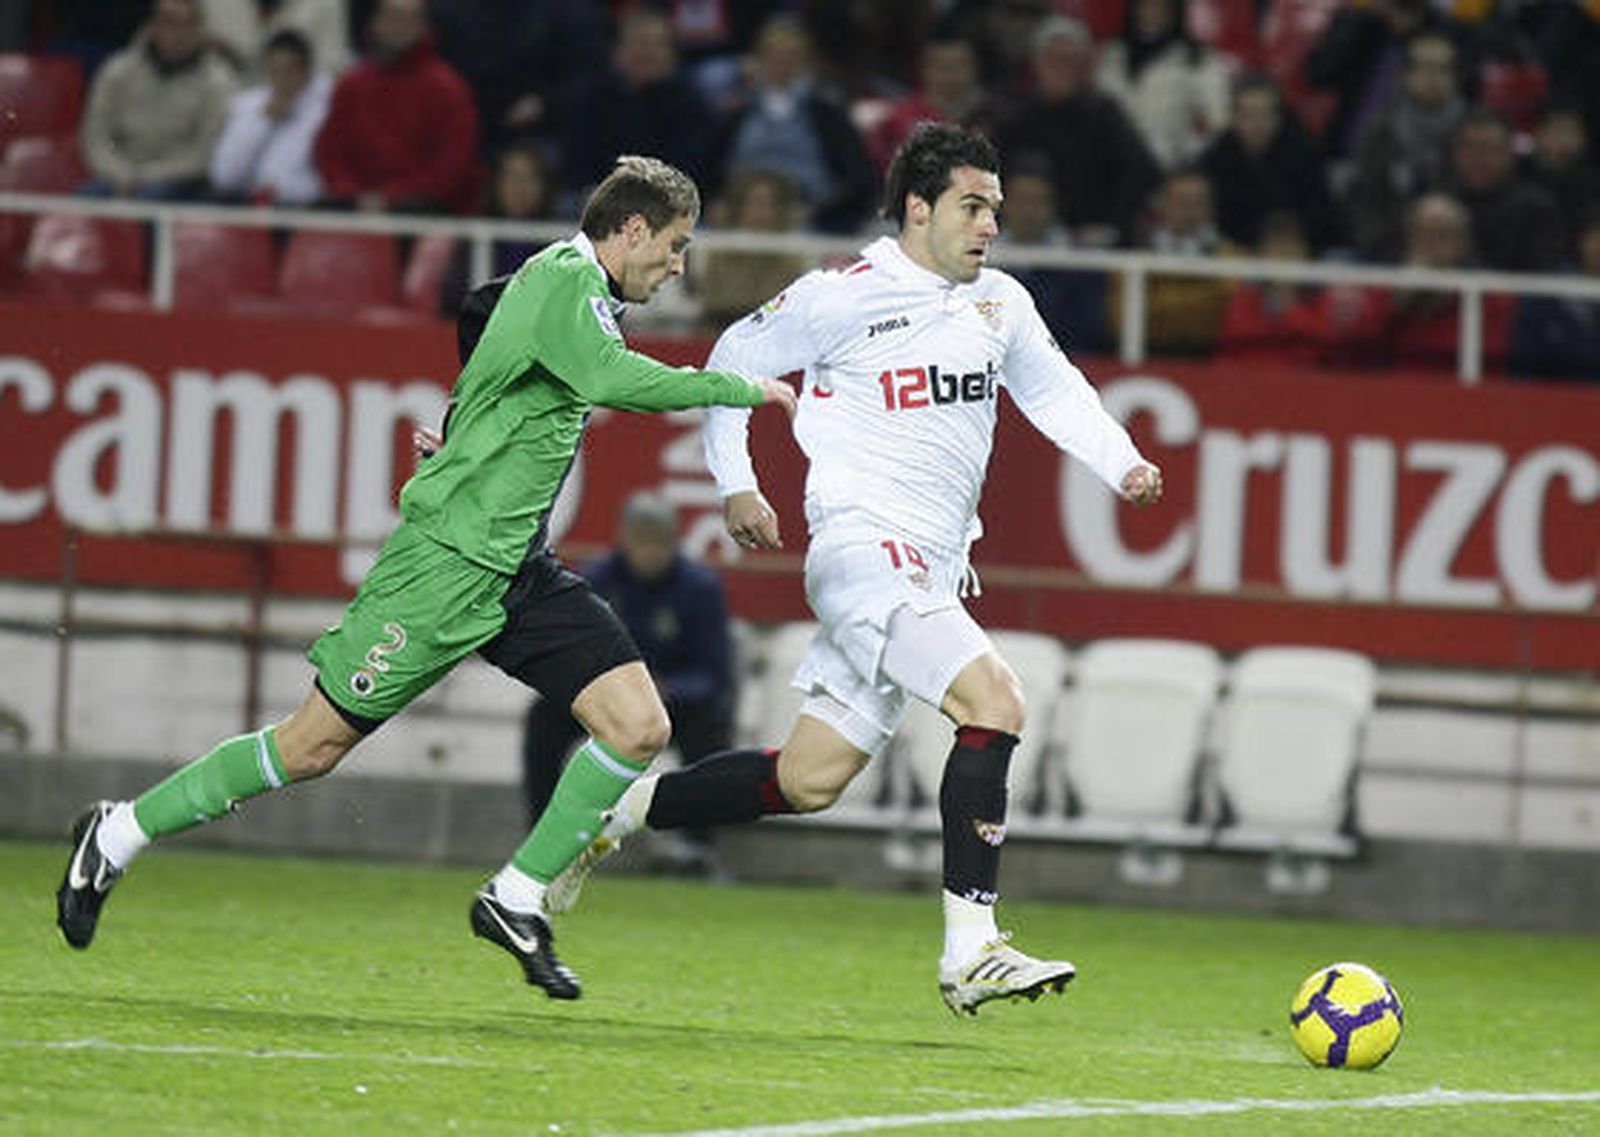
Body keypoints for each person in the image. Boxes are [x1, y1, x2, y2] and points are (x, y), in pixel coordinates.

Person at [54, 156, 798, 1002]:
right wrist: (743, 386)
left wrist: (464, 432)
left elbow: (489, 332)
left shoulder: (566, 296)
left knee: (637, 724)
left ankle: (516, 897)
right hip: (444, 567)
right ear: (630, 230)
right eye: (673, 245)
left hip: (517, 569)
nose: (677, 266)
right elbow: (608, 380)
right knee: (311, 746)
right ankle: (117, 833)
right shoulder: (566, 283)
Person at [547, 124, 1164, 1017]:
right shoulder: (843, 297)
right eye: (972, 205)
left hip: (931, 568)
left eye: (995, 207)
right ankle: (971, 948)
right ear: (918, 209)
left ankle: (610, 817)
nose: (991, 223)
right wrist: (737, 484)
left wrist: (1124, 463)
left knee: (809, 778)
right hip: (863, 552)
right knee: (995, 700)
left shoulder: (1001, 305)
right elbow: (732, 360)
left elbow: (1058, 393)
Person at [522, 491, 734, 873]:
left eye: (659, 543)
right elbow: (572, 650)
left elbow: (714, 673)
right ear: (625, 540)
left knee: (713, 729)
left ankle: (697, 849)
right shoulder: (597, 579)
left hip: (675, 704)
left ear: (674, 543)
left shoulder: (699, 588)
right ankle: (545, 840)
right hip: (609, 700)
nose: (650, 552)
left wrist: (667, 689)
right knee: (543, 719)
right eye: (641, 541)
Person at [995, 15, 1162, 249]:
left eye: (1071, 62)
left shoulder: (1105, 116)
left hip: (1089, 245)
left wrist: (1111, 225)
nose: (1062, 70)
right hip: (1018, 239)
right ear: (1035, 62)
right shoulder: (1012, 114)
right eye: (1054, 60)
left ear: (1085, 68)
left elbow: (1143, 174)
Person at [312, 0, 480, 214]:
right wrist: (353, 193)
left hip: (422, 213)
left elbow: (453, 163)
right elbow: (330, 151)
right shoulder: (351, 86)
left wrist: (395, 197)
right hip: (353, 208)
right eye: (391, 16)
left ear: (423, 25)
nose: (397, 26)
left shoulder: (448, 89)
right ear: (375, 21)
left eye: (407, 19)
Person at [79, 0, 237, 200]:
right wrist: (121, 174)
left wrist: (147, 177)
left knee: (151, 201)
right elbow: (96, 138)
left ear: (201, 29)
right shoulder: (116, 72)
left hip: (180, 181)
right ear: (153, 26)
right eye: (170, 22)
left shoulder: (220, 82)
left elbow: (205, 153)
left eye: (189, 24)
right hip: (117, 176)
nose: (179, 33)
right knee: (83, 200)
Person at [1094, 0, 1233, 171]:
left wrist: (1187, 159)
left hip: (1169, 172)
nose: (1154, 10)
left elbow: (1218, 124)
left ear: (1175, 10)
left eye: (1162, 5)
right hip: (1114, 170)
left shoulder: (1198, 60)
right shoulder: (1111, 55)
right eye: (1146, 4)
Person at [208, 28, 331, 205]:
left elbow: (323, 181)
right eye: (275, 70)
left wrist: (278, 192)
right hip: (247, 205)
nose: (282, 79)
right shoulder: (247, 105)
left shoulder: (325, 108)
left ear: (307, 70)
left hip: (301, 208)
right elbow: (224, 176)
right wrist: (263, 123)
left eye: (290, 70)